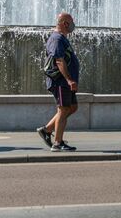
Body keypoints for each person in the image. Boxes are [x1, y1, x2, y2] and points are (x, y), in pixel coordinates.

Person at [37, 13, 80, 152]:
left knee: (72, 107)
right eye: (71, 22)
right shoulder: (56, 39)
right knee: (63, 109)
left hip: (65, 82)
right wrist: (69, 79)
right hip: (60, 81)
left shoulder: (62, 38)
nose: (73, 24)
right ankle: (57, 143)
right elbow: (59, 60)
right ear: (64, 23)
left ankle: (47, 130)